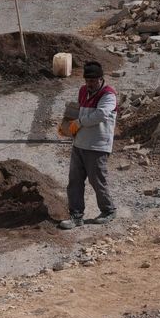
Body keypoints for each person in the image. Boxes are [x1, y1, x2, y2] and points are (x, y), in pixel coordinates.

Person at [59, 61, 117, 229]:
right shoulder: (83, 91)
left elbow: (101, 115)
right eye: (87, 81)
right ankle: (76, 215)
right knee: (75, 181)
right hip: (79, 144)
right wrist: (67, 125)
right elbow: (78, 110)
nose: (90, 85)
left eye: (93, 81)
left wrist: (79, 122)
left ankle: (108, 210)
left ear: (101, 79)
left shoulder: (108, 94)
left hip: (97, 145)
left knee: (97, 181)